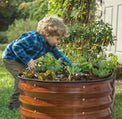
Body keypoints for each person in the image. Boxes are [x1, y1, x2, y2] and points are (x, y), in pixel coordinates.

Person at [2, 16, 71, 110]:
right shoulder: (33, 38)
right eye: (57, 39)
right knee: (21, 78)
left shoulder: (49, 45)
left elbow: (59, 56)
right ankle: (14, 105)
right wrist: (28, 60)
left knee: (31, 77)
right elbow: (16, 46)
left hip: (22, 59)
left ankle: (27, 100)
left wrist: (70, 66)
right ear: (47, 34)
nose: (58, 42)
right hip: (11, 58)